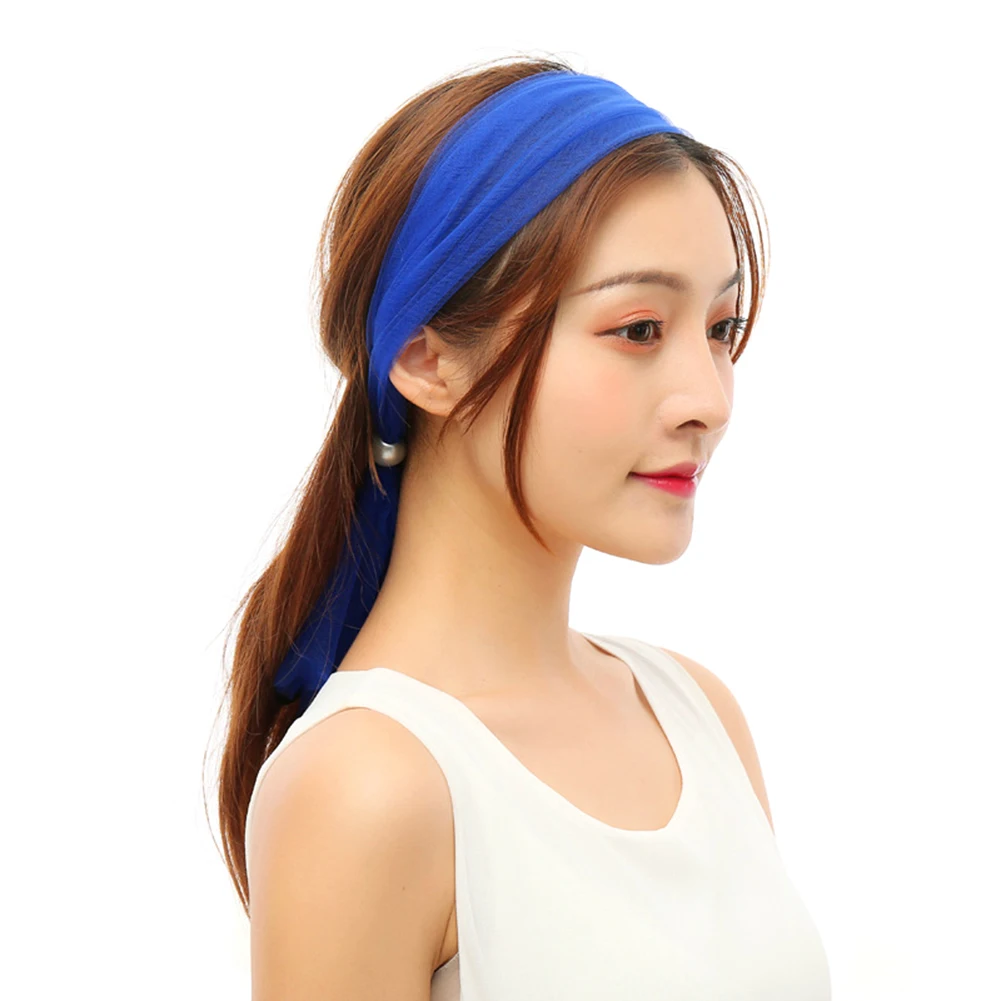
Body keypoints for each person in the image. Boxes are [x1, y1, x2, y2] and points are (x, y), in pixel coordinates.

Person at [215, 55, 831, 999]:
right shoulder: (366, 787)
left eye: (718, 328)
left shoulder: (698, 715)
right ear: (426, 359)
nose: (708, 400)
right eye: (637, 328)